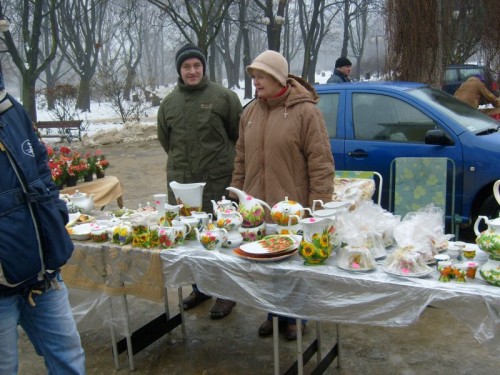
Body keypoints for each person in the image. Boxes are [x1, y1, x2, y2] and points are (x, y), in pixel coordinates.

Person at [230, 50, 335, 340]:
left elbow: (321, 162)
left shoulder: (306, 112)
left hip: (293, 208)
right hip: (258, 208)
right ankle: (273, 312)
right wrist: (236, 196)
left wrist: (318, 207)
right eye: (254, 76)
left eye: (261, 76)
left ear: (278, 77)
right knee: (267, 265)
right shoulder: (250, 112)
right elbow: (240, 158)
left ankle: (296, 318)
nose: (256, 82)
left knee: (293, 265)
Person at [0, 71, 86, 374]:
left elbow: (39, 165)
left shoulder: (9, 108)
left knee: (69, 358)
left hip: (42, 271)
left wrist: (53, 209)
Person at [157, 43, 242, 319]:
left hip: (218, 183)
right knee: (191, 240)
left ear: (204, 67)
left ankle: (227, 294)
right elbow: (165, 140)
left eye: (196, 65)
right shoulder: (169, 103)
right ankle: (200, 288)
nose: (192, 71)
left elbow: (237, 135)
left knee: (223, 238)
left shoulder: (224, 97)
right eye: (186, 67)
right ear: (179, 71)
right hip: (184, 187)